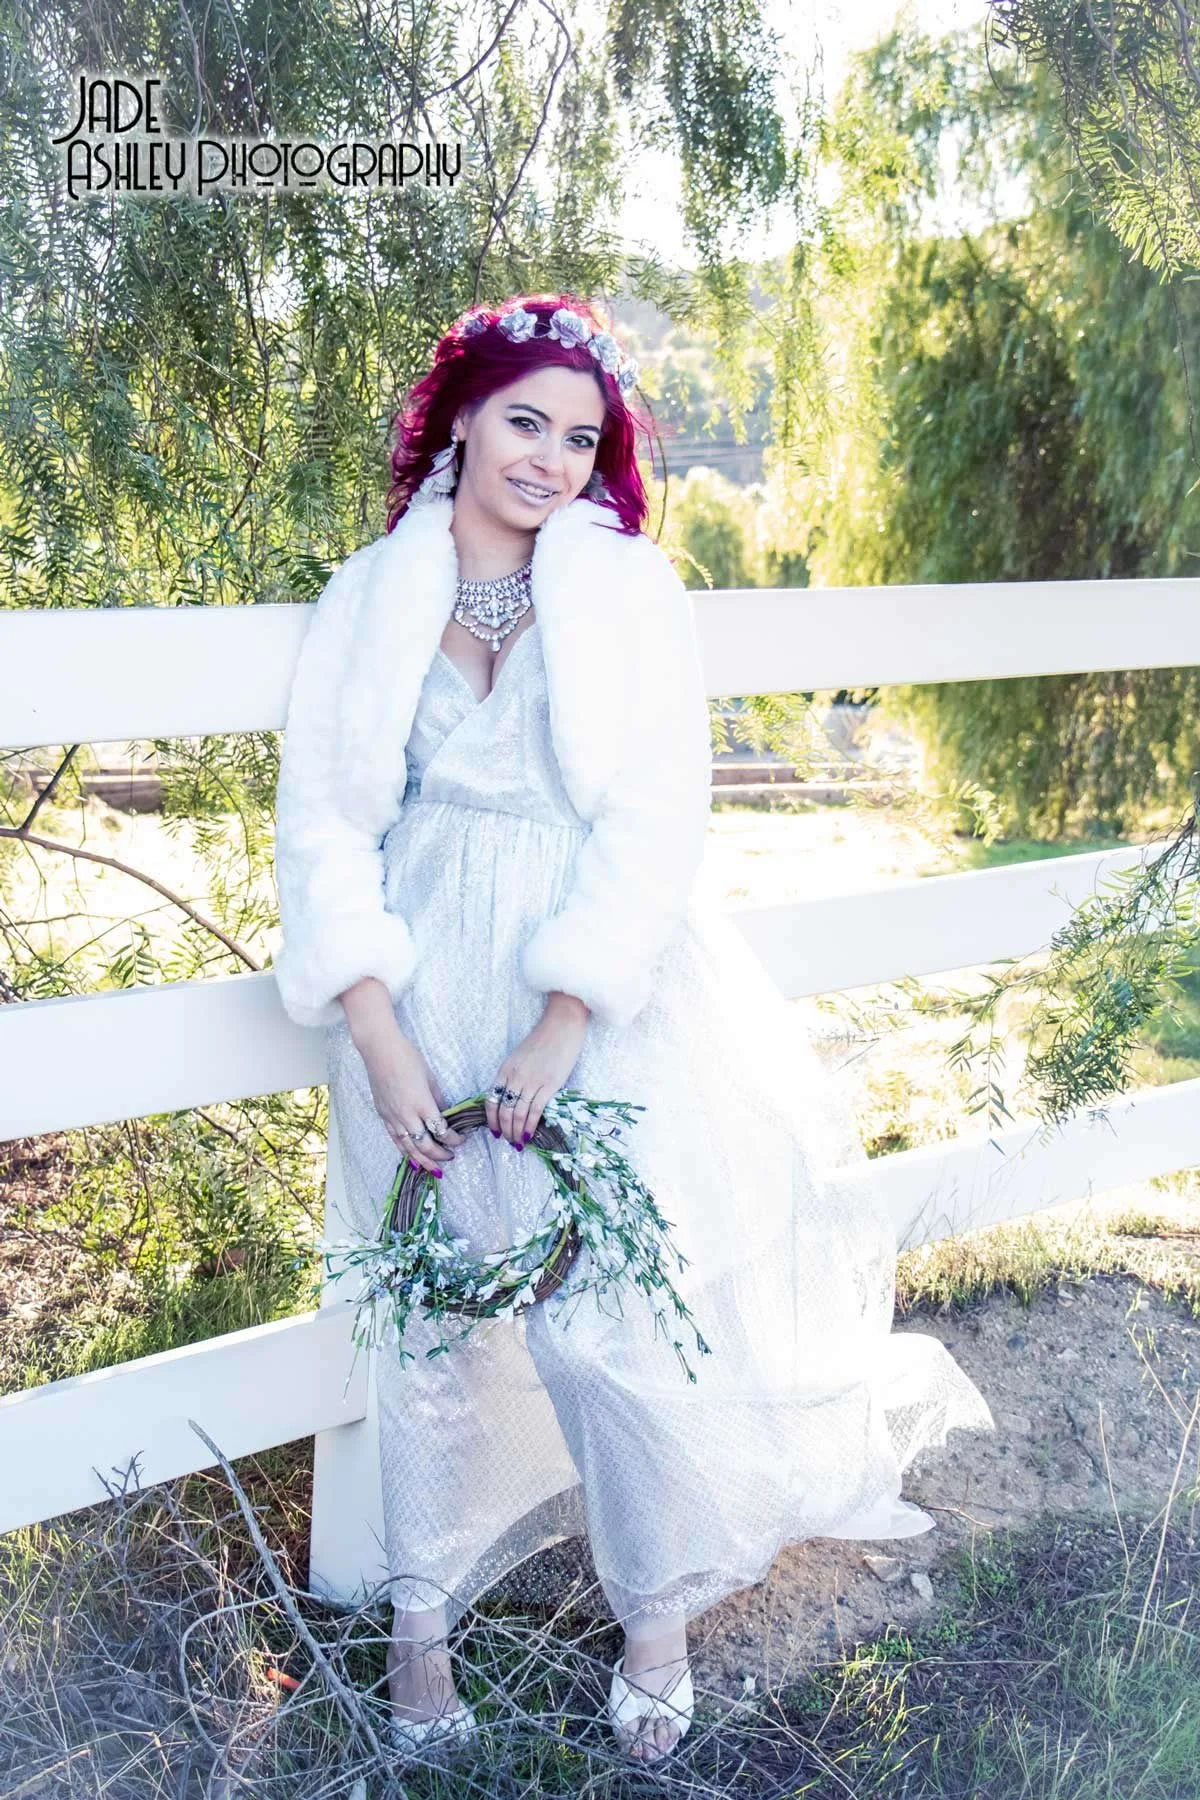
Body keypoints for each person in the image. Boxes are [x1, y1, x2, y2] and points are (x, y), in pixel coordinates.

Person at [270, 291, 995, 1765]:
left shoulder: (622, 594)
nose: (546, 458)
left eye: (578, 436)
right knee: (427, 1314)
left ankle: (650, 1613)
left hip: (583, 981)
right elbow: (327, 824)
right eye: (524, 421)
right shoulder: (373, 595)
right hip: (414, 978)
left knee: (598, 1319)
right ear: (463, 414)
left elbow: (658, 816)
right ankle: (420, 1638)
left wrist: (565, 1019)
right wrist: (379, 1029)